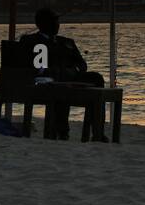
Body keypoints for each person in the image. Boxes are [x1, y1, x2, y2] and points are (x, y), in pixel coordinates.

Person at [19, 9, 107, 141]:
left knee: (96, 78)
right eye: (53, 21)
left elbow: (82, 64)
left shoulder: (66, 42)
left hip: (70, 77)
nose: (57, 24)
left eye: (57, 21)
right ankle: (62, 131)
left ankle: (98, 132)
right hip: (47, 82)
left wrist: (73, 71)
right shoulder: (31, 40)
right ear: (41, 24)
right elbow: (31, 65)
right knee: (58, 83)